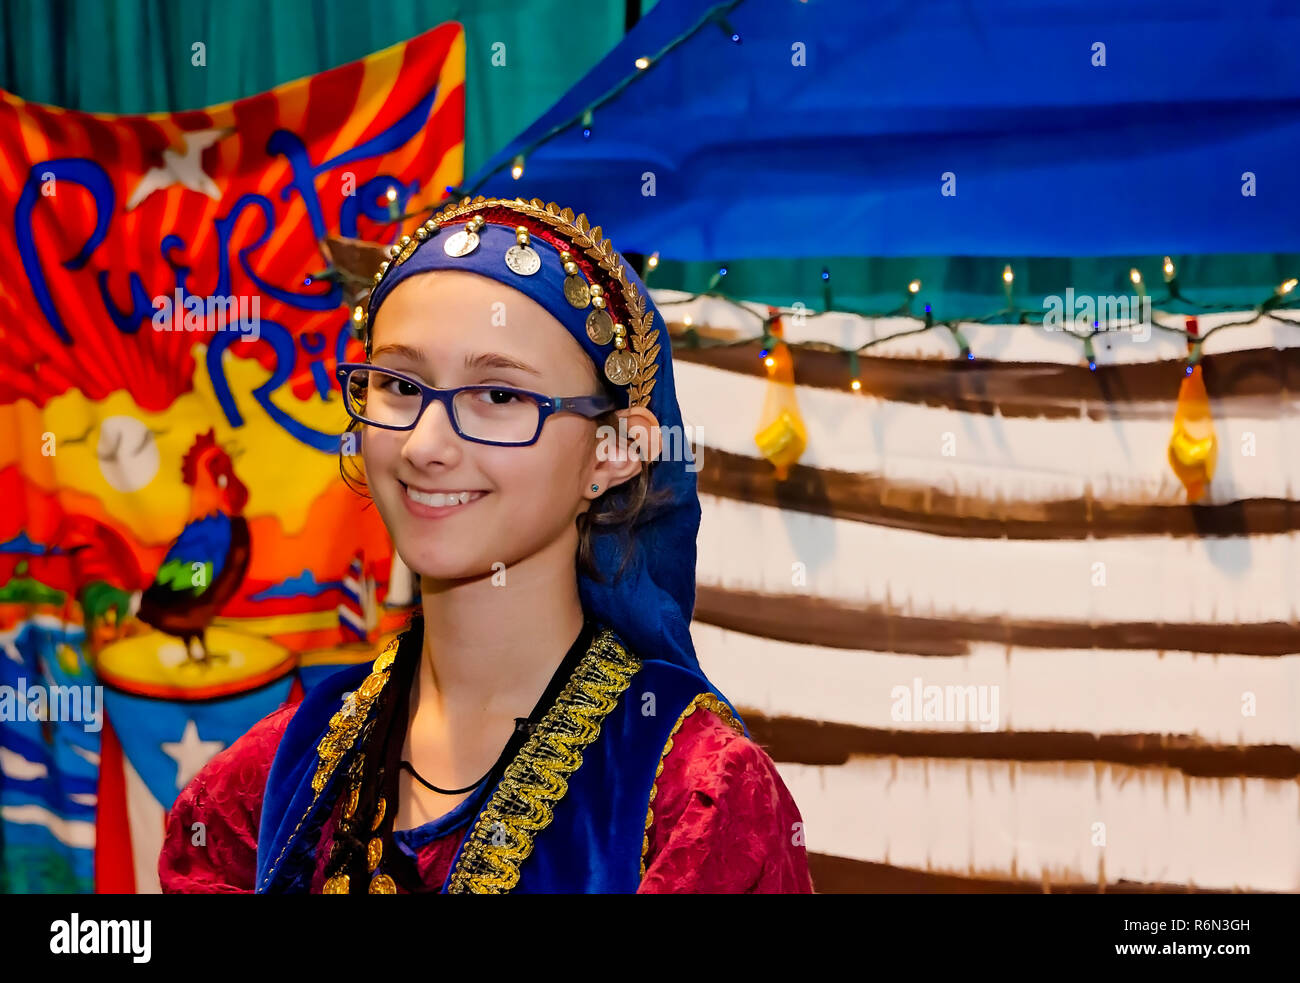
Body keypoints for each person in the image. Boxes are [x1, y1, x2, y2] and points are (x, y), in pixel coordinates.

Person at [158, 196, 814, 894]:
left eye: (499, 396)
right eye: (398, 384)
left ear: (615, 451)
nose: (426, 445)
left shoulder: (695, 802)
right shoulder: (259, 788)